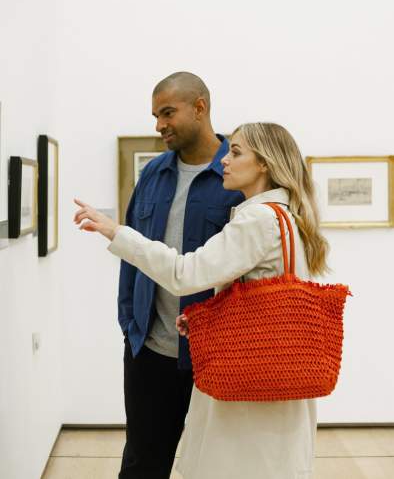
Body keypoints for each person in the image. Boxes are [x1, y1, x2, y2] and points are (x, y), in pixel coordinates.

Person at [74, 122, 329, 479]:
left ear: (264, 165)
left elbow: (184, 274)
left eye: (237, 152)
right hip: (276, 384)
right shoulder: (286, 218)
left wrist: (115, 231)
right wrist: (209, 315)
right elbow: (258, 292)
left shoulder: (256, 220)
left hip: (248, 388)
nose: (225, 159)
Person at [111, 72, 243, 479]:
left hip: (216, 353)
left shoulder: (238, 177)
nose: (158, 125)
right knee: (141, 464)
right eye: (155, 115)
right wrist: (129, 323)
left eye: (167, 112)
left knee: (216, 466)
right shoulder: (153, 174)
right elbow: (133, 253)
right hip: (150, 351)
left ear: (200, 107)